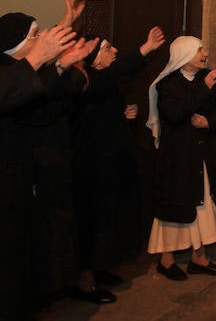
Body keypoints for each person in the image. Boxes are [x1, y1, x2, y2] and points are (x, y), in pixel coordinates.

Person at [0, 19, 90, 321]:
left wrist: (59, 65)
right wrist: (37, 58)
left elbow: (21, 101)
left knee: (7, 275)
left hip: (1, 196)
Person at [70, 26, 166, 301]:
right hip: (90, 164)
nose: (114, 51)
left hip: (111, 160)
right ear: (93, 57)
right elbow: (103, 87)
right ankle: (84, 279)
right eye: (108, 49)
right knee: (91, 220)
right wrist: (144, 48)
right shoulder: (85, 80)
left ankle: (100, 268)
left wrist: (124, 115)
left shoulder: (104, 80)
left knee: (109, 217)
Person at [147, 35, 216, 281]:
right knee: (175, 208)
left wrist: (210, 121)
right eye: (199, 51)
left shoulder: (208, 80)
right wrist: (202, 88)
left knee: (205, 205)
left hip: (204, 155)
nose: (205, 54)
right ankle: (166, 260)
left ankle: (199, 257)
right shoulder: (168, 84)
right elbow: (175, 113)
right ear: (185, 55)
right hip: (179, 158)